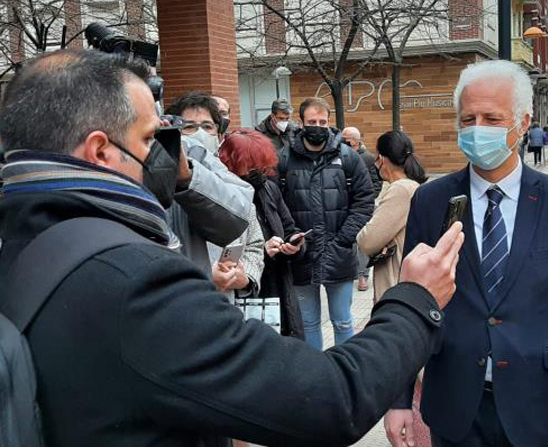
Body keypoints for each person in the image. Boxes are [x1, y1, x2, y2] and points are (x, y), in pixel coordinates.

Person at [0, 49, 465, 447]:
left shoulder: (23, 245)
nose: (167, 156)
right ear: (100, 151)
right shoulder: (134, 282)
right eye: (149, 140)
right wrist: (414, 301)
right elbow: (330, 398)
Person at [385, 60, 548, 447]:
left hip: (540, 408)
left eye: (492, 118)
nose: (478, 129)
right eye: (468, 119)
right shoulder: (432, 201)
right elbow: (410, 305)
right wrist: (398, 400)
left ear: (523, 123)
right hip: (455, 409)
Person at [278, 97, 375, 350]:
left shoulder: (348, 157)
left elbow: (365, 200)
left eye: (323, 121)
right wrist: (291, 235)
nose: (318, 126)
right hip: (301, 254)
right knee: (308, 323)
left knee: (343, 321)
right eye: (312, 121)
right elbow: (275, 202)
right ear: (301, 123)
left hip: (338, 252)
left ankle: (344, 373)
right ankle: (316, 375)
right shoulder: (285, 158)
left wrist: (345, 238)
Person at [219, 129, 305, 339]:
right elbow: (223, 255)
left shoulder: (269, 189)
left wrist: (293, 246)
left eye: (260, 165)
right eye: (249, 165)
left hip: (280, 288)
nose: (257, 171)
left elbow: (289, 226)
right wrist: (262, 252)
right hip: (247, 293)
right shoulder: (224, 194)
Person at [163, 91, 254, 275]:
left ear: (219, 134)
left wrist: (246, 275)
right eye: (188, 127)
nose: (199, 134)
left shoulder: (226, 177)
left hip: (221, 292)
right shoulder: (159, 175)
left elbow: (251, 238)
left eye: (207, 126)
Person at [357, 130, 427, 302]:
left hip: (396, 285)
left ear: (381, 159)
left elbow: (367, 241)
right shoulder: (412, 186)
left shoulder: (401, 190)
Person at [342, 125, 382, 291]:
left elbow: (377, 182)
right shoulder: (339, 157)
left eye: (347, 141)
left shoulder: (368, 159)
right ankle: (350, 271)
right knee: (347, 240)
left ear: (356, 142)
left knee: (363, 241)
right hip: (343, 207)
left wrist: (365, 199)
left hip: (362, 207)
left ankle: (362, 275)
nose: (343, 143)